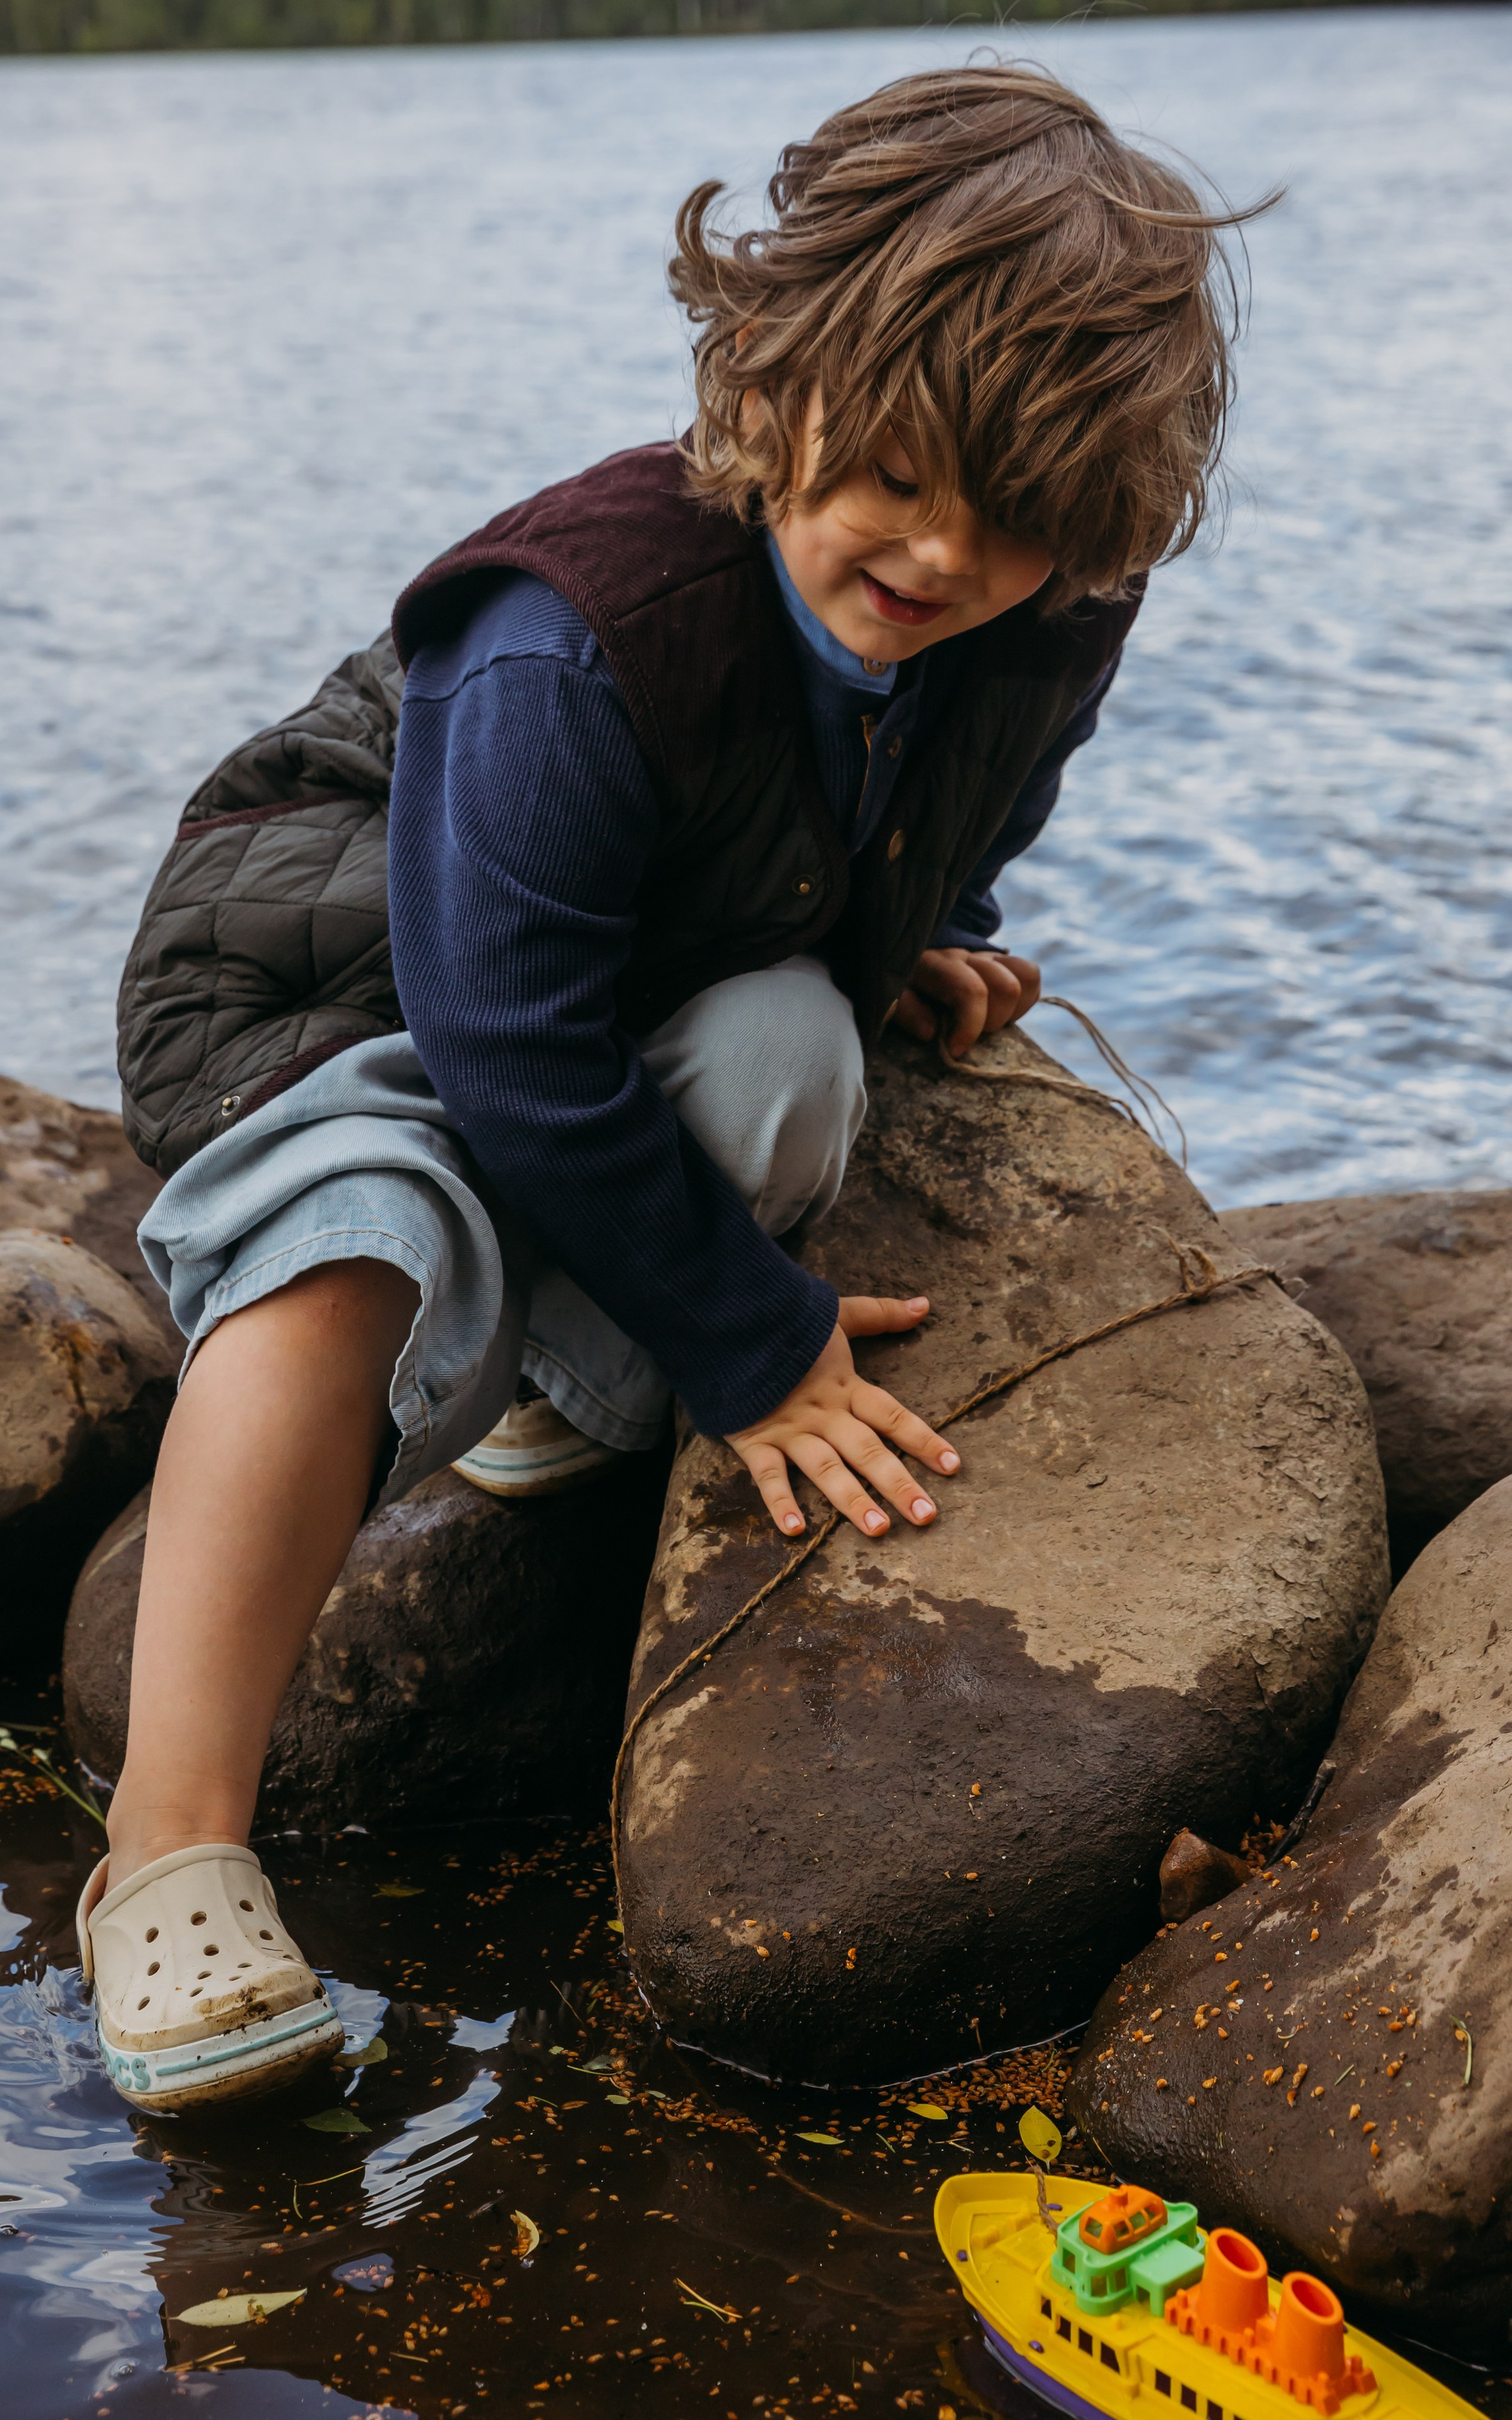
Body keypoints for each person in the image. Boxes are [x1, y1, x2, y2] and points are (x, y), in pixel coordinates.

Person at [79, 62, 1254, 2111]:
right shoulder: (578, 629)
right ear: (773, 374)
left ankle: (557, 1379)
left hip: (615, 953)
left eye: (1020, 523)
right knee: (362, 1232)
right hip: (326, 967)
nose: (940, 552)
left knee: (801, 1052)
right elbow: (503, 1035)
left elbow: (947, 795)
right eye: (897, 473)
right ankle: (165, 1848)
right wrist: (752, 1348)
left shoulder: (1044, 604)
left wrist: (921, 933)